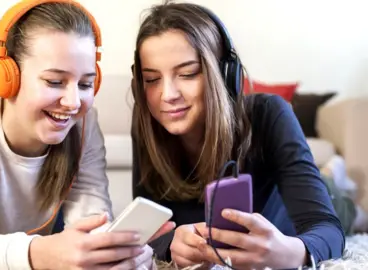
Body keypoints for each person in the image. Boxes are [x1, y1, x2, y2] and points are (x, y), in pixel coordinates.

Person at [0, 1, 173, 269]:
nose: (74, 102)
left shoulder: (83, 123)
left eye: (86, 83)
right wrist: (42, 253)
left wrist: (113, 254)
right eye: (54, 81)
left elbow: (90, 220)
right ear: (6, 76)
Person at [130, 1, 345, 269]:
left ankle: (336, 179)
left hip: (314, 200)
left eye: (187, 73)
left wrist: (291, 252)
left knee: (346, 208)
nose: (168, 95)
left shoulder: (269, 113)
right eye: (151, 79)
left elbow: (328, 229)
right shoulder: (147, 124)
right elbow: (148, 235)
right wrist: (171, 242)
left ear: (225, 74)